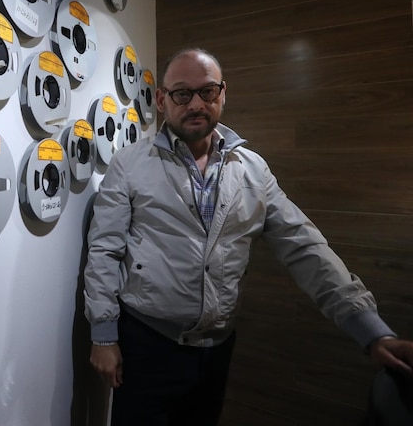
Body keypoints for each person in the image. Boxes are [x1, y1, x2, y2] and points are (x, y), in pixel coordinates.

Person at [83, 47, 413, 425]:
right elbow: (104, 250)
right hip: (146, 345)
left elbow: (306, 248)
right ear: (161, 100)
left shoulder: (253, 170)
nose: (195, 104)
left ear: (222, 94)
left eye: (207, 91)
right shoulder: (129, 164)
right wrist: (104, 335)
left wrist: (372, 331)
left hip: (218, 349)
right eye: (181, 93)